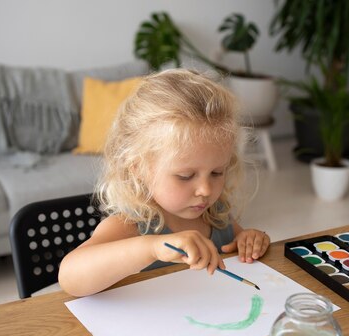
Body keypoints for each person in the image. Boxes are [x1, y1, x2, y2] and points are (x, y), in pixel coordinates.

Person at [59, 69, 271, 296]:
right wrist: (152, 248)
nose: (206, 190)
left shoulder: (217, 215)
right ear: (139, 168)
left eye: (217, 172)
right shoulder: (131, 224)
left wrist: (247, 239)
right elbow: (70, 277)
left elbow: (237, 241)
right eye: (185, 176)